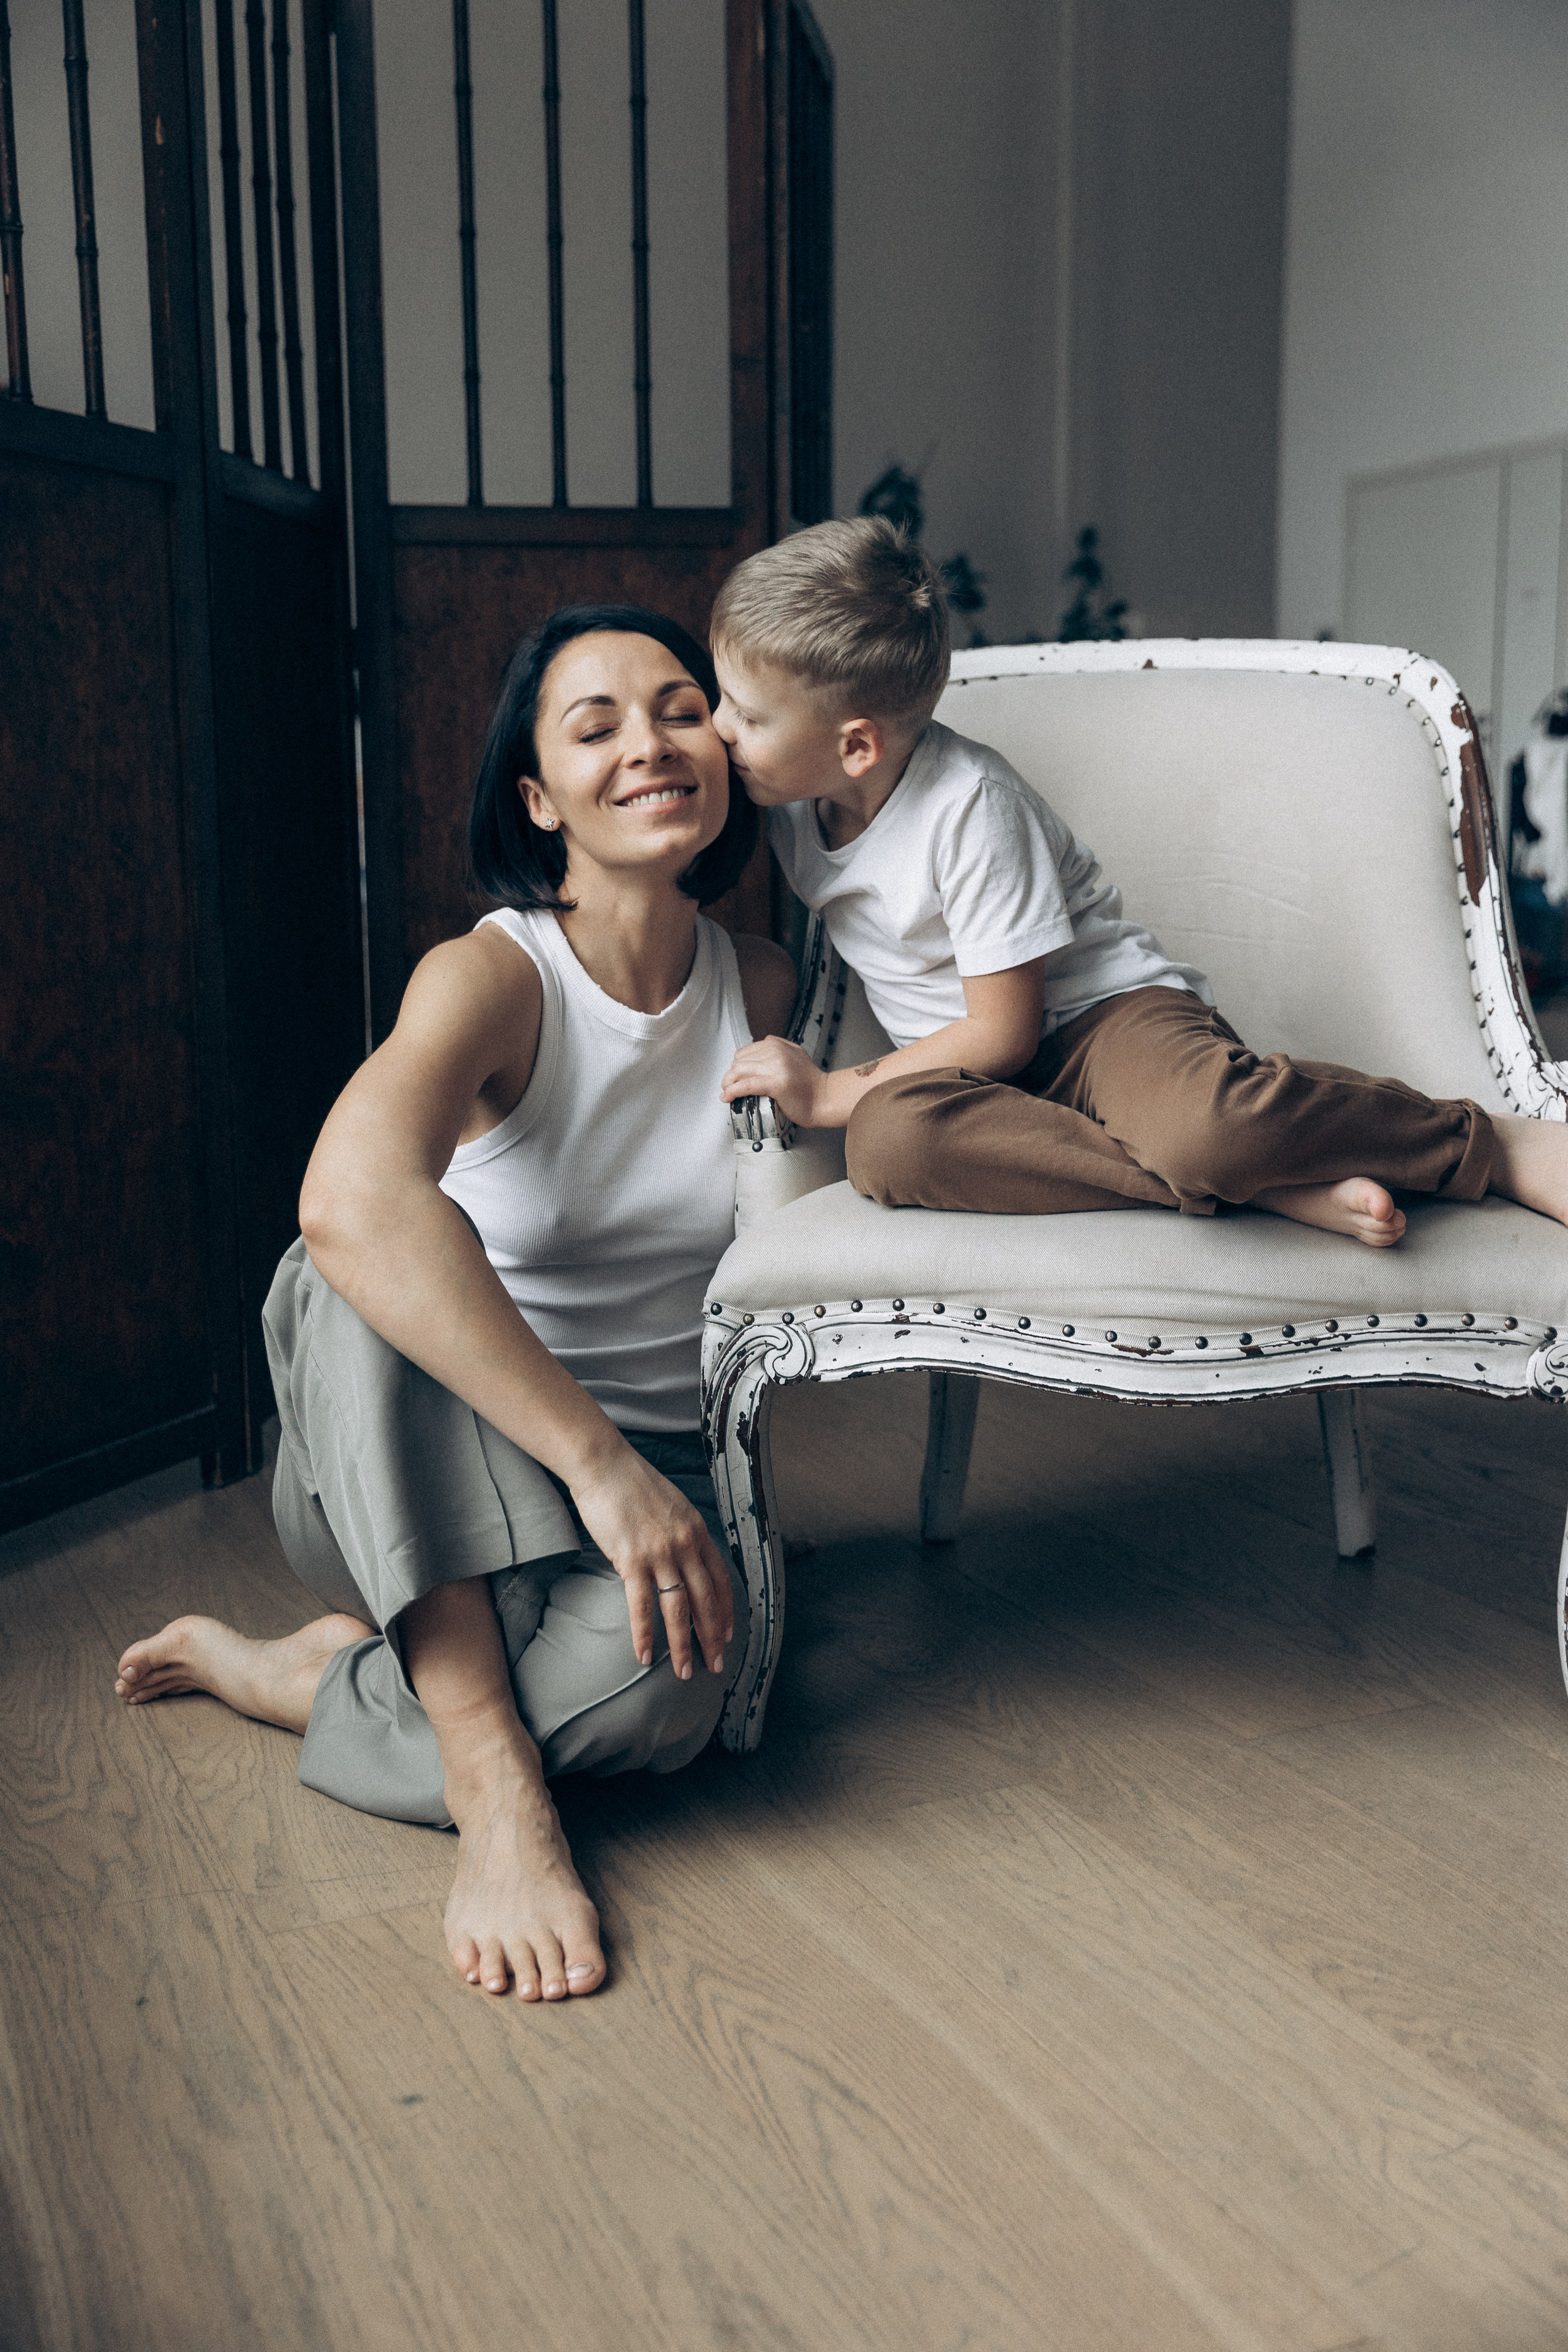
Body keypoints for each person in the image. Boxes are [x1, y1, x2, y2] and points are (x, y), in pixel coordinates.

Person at [115, 606, 797, 2003]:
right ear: (537, 799)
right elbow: (346, 1206)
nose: (649, 745)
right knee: (359, 1250)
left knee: (670, 1699)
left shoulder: (768, 986)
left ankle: (320, 1680)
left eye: (679, 709)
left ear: (727, 750)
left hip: (653, 1471)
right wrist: (593, 1468)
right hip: (419, 1464)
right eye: (594, 725)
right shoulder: (493, 975)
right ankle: (489, 1775)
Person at [710, 518, 1568, 1235]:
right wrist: (562, 816)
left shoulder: (968, 804)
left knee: (1208, 1128)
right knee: (887, 1148)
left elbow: (1005, 1034)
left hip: (1100, 1024)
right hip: (973, 1085)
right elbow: (648, 842)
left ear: (855, 744)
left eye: (744, 715)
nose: (719, 728)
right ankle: (1263, 1188)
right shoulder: (782, 791)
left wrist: (826, 1091)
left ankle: (1480, 1140)